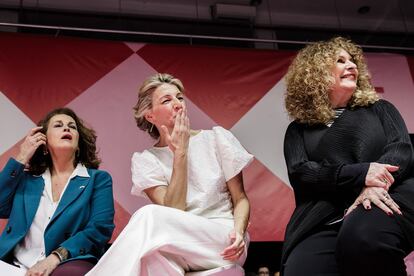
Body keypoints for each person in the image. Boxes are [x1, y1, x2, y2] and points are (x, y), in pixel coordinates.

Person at [86, 73, 253, 275]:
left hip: (223, 240)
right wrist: (180, 154)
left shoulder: (217, 139)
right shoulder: (145, 160)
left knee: (148, 215)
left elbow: (241, 198)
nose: (178, 103)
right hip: (177, 244)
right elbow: (174, 211)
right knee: (150, 256)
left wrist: (239, 232)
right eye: (167, 100)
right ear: (150, 116)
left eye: (180, 97)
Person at [282, 37, 414, 275]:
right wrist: (361, 174)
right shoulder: (298, 130)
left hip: (386, 195)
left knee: (365, 239)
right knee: (300, 269)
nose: (352, 66)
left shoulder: (380, 109)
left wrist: (376, 183)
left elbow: (401, 150)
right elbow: (301, 173)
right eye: (340, 61)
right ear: (316, 74)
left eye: (352, 61)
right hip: (324, 216)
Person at [0, 107, 115, 276]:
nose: (66, 128)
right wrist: (22, 156)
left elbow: (99, 229)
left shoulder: (98, 179)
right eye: (58, 125)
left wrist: (55, 258)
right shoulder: (26, 180)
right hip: (14, 265)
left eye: (72, 126)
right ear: (44, 142)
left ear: (78, 146)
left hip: (65, 263)